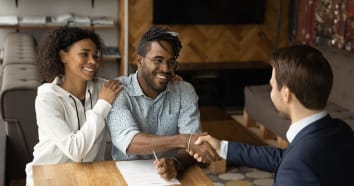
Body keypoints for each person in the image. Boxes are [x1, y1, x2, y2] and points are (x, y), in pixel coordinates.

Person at [190, 45, 354, 186]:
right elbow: (286, 157)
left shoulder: (296, 167)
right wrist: (222, 148)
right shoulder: (341, 130)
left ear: (286, 94)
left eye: (272, 87)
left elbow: (294, 162)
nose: (271, 93)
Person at [107, 26, 218, 180]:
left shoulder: (184, 91)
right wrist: (184, 140)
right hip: (126, 176)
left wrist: (177, 162)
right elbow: (129, 142)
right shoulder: (118, 91)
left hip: (173, 177)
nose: (166, 68)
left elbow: (195, 143)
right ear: (139, 61)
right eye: (158, 60)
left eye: (171, 62)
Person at [25, 27, 123, 185]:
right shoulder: (47, 97)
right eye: (84, 54)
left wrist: (170, 81)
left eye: (95, 55)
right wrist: (102, 104)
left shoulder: (103, 88)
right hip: (49, 175)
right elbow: (75, 150)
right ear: (63, 56)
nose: (92, 61)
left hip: (89, 175)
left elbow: (135, 88)